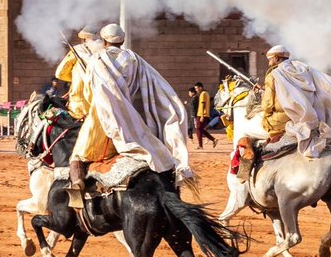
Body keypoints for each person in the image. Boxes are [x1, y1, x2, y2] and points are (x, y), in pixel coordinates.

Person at [68, 23, 194, 190]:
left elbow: (89, 94)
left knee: (77, 155)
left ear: (104, 41)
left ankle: (77, 187)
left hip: (103, 120)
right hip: (135, 120)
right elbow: (149, 86)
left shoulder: (97, 60)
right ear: (122, 40)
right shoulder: (134, 59)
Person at [258, 45, 331, 157]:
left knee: (253, 130)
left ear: (276, 58)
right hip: (310, 114)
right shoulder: (301, 69)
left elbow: (267, 105)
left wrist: (265, 112)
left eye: (270, 59)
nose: (269, 63)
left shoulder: (274, 75)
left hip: (283, 118)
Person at [54, 27, 102, 121]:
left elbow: (60, 73)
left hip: (78, 108)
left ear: (84, 39)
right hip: (99, 107)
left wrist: (76, 78)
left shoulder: (78, 51)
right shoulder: (104, 52)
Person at [192, 82, 217, 149]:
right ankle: (213, 140)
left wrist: (202, 116)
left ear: (201, 87)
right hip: (204, 114)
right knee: (201, 130)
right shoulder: (206, 93)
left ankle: (200, 145)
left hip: (201, 114)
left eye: (196, 88)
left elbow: (203, 105)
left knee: (198, 130)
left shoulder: (203, 94)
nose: (196, 90)